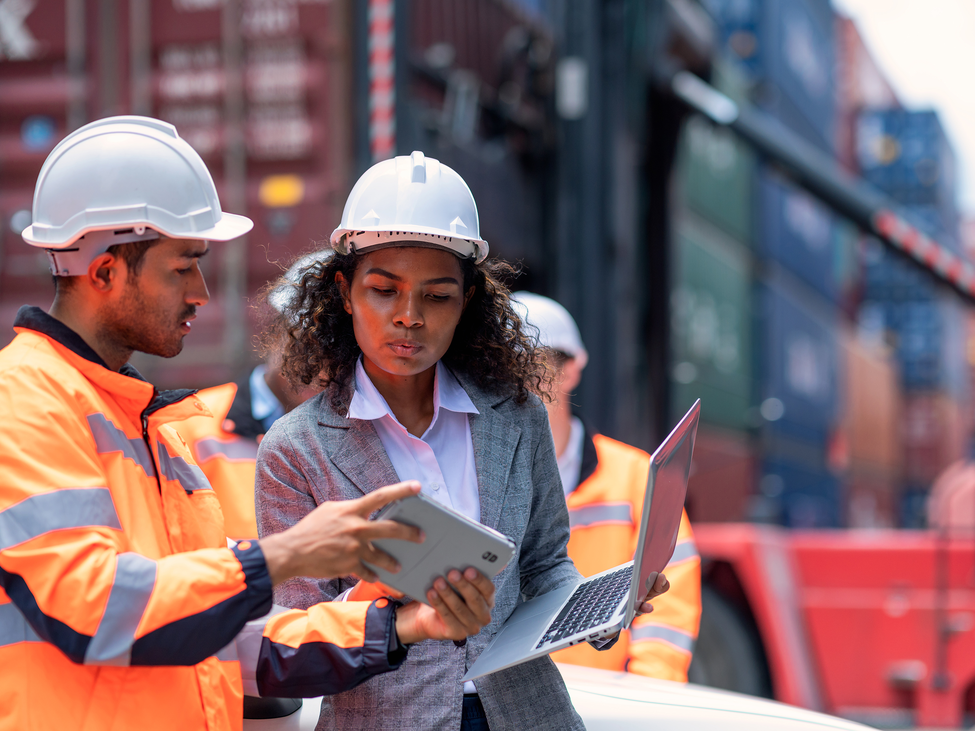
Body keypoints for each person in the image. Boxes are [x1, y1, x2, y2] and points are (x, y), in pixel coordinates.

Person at [0, 118, 496, 731]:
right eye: (184, 265)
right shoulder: (22, 400)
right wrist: (284, 555)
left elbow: (231, 637)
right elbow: (95, 609)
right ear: (104, 272)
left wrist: (401, 623)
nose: (202, 291)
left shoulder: (150, 430)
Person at [255, 150, 669, 731]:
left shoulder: (516, 414)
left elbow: (546, 563)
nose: (409, 316)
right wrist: (381, 602)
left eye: (437, 295)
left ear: (467, 300)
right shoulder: (294, 450)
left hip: (528, 715)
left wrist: (601, 611)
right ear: (344, 292)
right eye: (383, 290)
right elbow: (291, 636)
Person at [511, 292, 702, 682]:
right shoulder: (473, 473)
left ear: (572, 369)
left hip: (610, 705)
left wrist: (646, 698)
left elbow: (671, 594)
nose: (517, 382)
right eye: (500, 367)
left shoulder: (636, 477)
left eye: (533, 366)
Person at [177, 250, 328, 540]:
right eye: (309, 344)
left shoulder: (369, 431)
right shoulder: (190, 424)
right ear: (277, 331)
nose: (321, 368)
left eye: (339, 352)